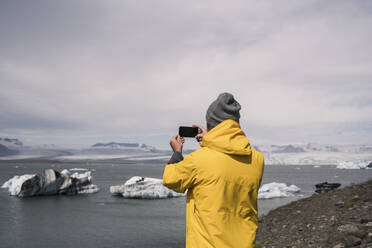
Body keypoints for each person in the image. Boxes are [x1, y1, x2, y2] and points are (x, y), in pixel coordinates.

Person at [163, 92, 265, 248]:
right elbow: (226, 158)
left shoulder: (199, 159)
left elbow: (171, 180)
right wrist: (210, 139)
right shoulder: (257, 159)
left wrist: (177, 153)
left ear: (211, 123)